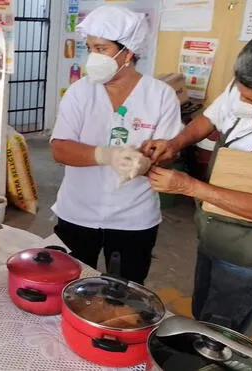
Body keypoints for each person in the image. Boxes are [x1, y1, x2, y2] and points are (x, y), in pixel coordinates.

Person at [142, 27, 252, 333]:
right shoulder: (248, 85)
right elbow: (210, 118)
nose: (243, 103)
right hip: (214, 228)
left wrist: (187, 186)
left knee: (220, 330)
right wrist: (175, 143)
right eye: (240, 92)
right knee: (202, 309)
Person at [50, 5, 183, 284]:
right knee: (68, 286)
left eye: (101, 48)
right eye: (90, 48)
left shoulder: (160, 96)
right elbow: (59, 149)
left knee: (124, 293)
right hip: (77, 211)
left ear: (129, 51)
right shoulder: (80, 92)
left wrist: (150, 159)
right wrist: (107, 154)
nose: (93, 58)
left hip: (133, 218)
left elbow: (169, 154)